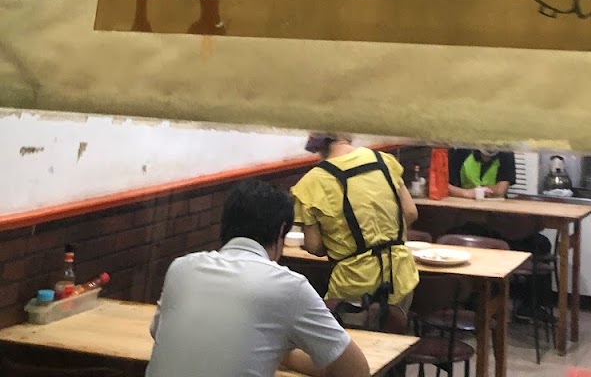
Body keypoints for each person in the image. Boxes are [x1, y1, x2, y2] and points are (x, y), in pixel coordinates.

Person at [146, 179, 368, 377]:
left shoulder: (181, 268)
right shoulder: (288, 286)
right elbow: (356, 370)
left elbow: (157, 331)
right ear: (281, 231)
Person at [291, 133, 419, 311]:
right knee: (396, 327)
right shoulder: (384, 161)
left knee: (353, 330)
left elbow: (314, 247)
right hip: (400, 274)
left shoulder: (310, 183)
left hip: (354, 283)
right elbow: (411, 212)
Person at [447, 146, 516, 199]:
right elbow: (446, 186)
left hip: (494, 205)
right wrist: (467, 193)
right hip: (464, 202)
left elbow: (499, 191)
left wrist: (478, 191)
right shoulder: (463, 150)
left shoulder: (506, 153)